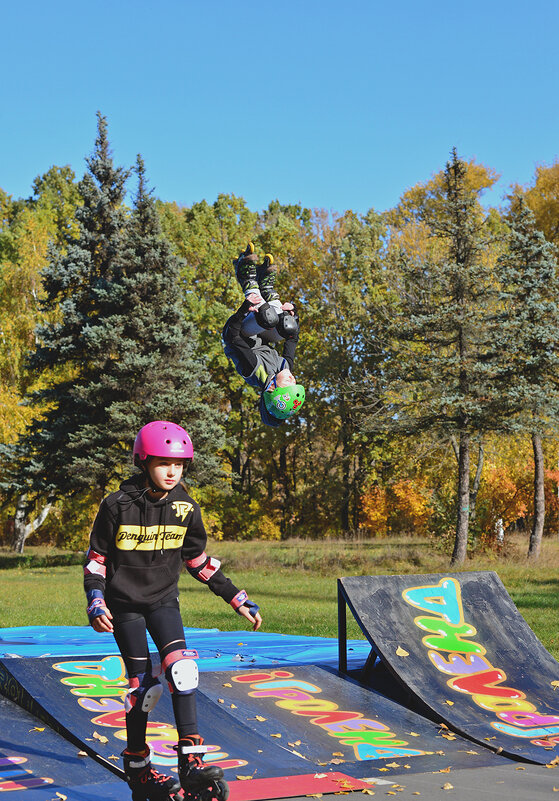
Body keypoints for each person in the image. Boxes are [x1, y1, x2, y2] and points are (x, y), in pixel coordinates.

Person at [83, 421, 262, 801]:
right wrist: (95, 599)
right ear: (144, 462)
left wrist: (236, 597)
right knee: (143, 687)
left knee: (182, 669)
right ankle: (138, 766)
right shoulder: (117, 505)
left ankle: (190, 761)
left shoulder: (186, 508)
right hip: (124, 605)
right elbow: (97, 560)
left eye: (179, 465)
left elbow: (197, 560)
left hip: (163, 599)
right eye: (164, 463)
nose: (171, 471)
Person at [222, 242, 306, 427]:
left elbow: (233, 338)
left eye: (288, 385)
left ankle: (247, 278)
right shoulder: (286, 369)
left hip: (236, 333)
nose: (292, 379)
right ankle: (268, 291)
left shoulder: (254, 371)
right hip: (258, 335)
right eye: (295, 383)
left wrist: (244, 309)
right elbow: (293, 338)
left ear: (272, 388)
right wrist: (294, 314)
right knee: (287, 325)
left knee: (268, 318)